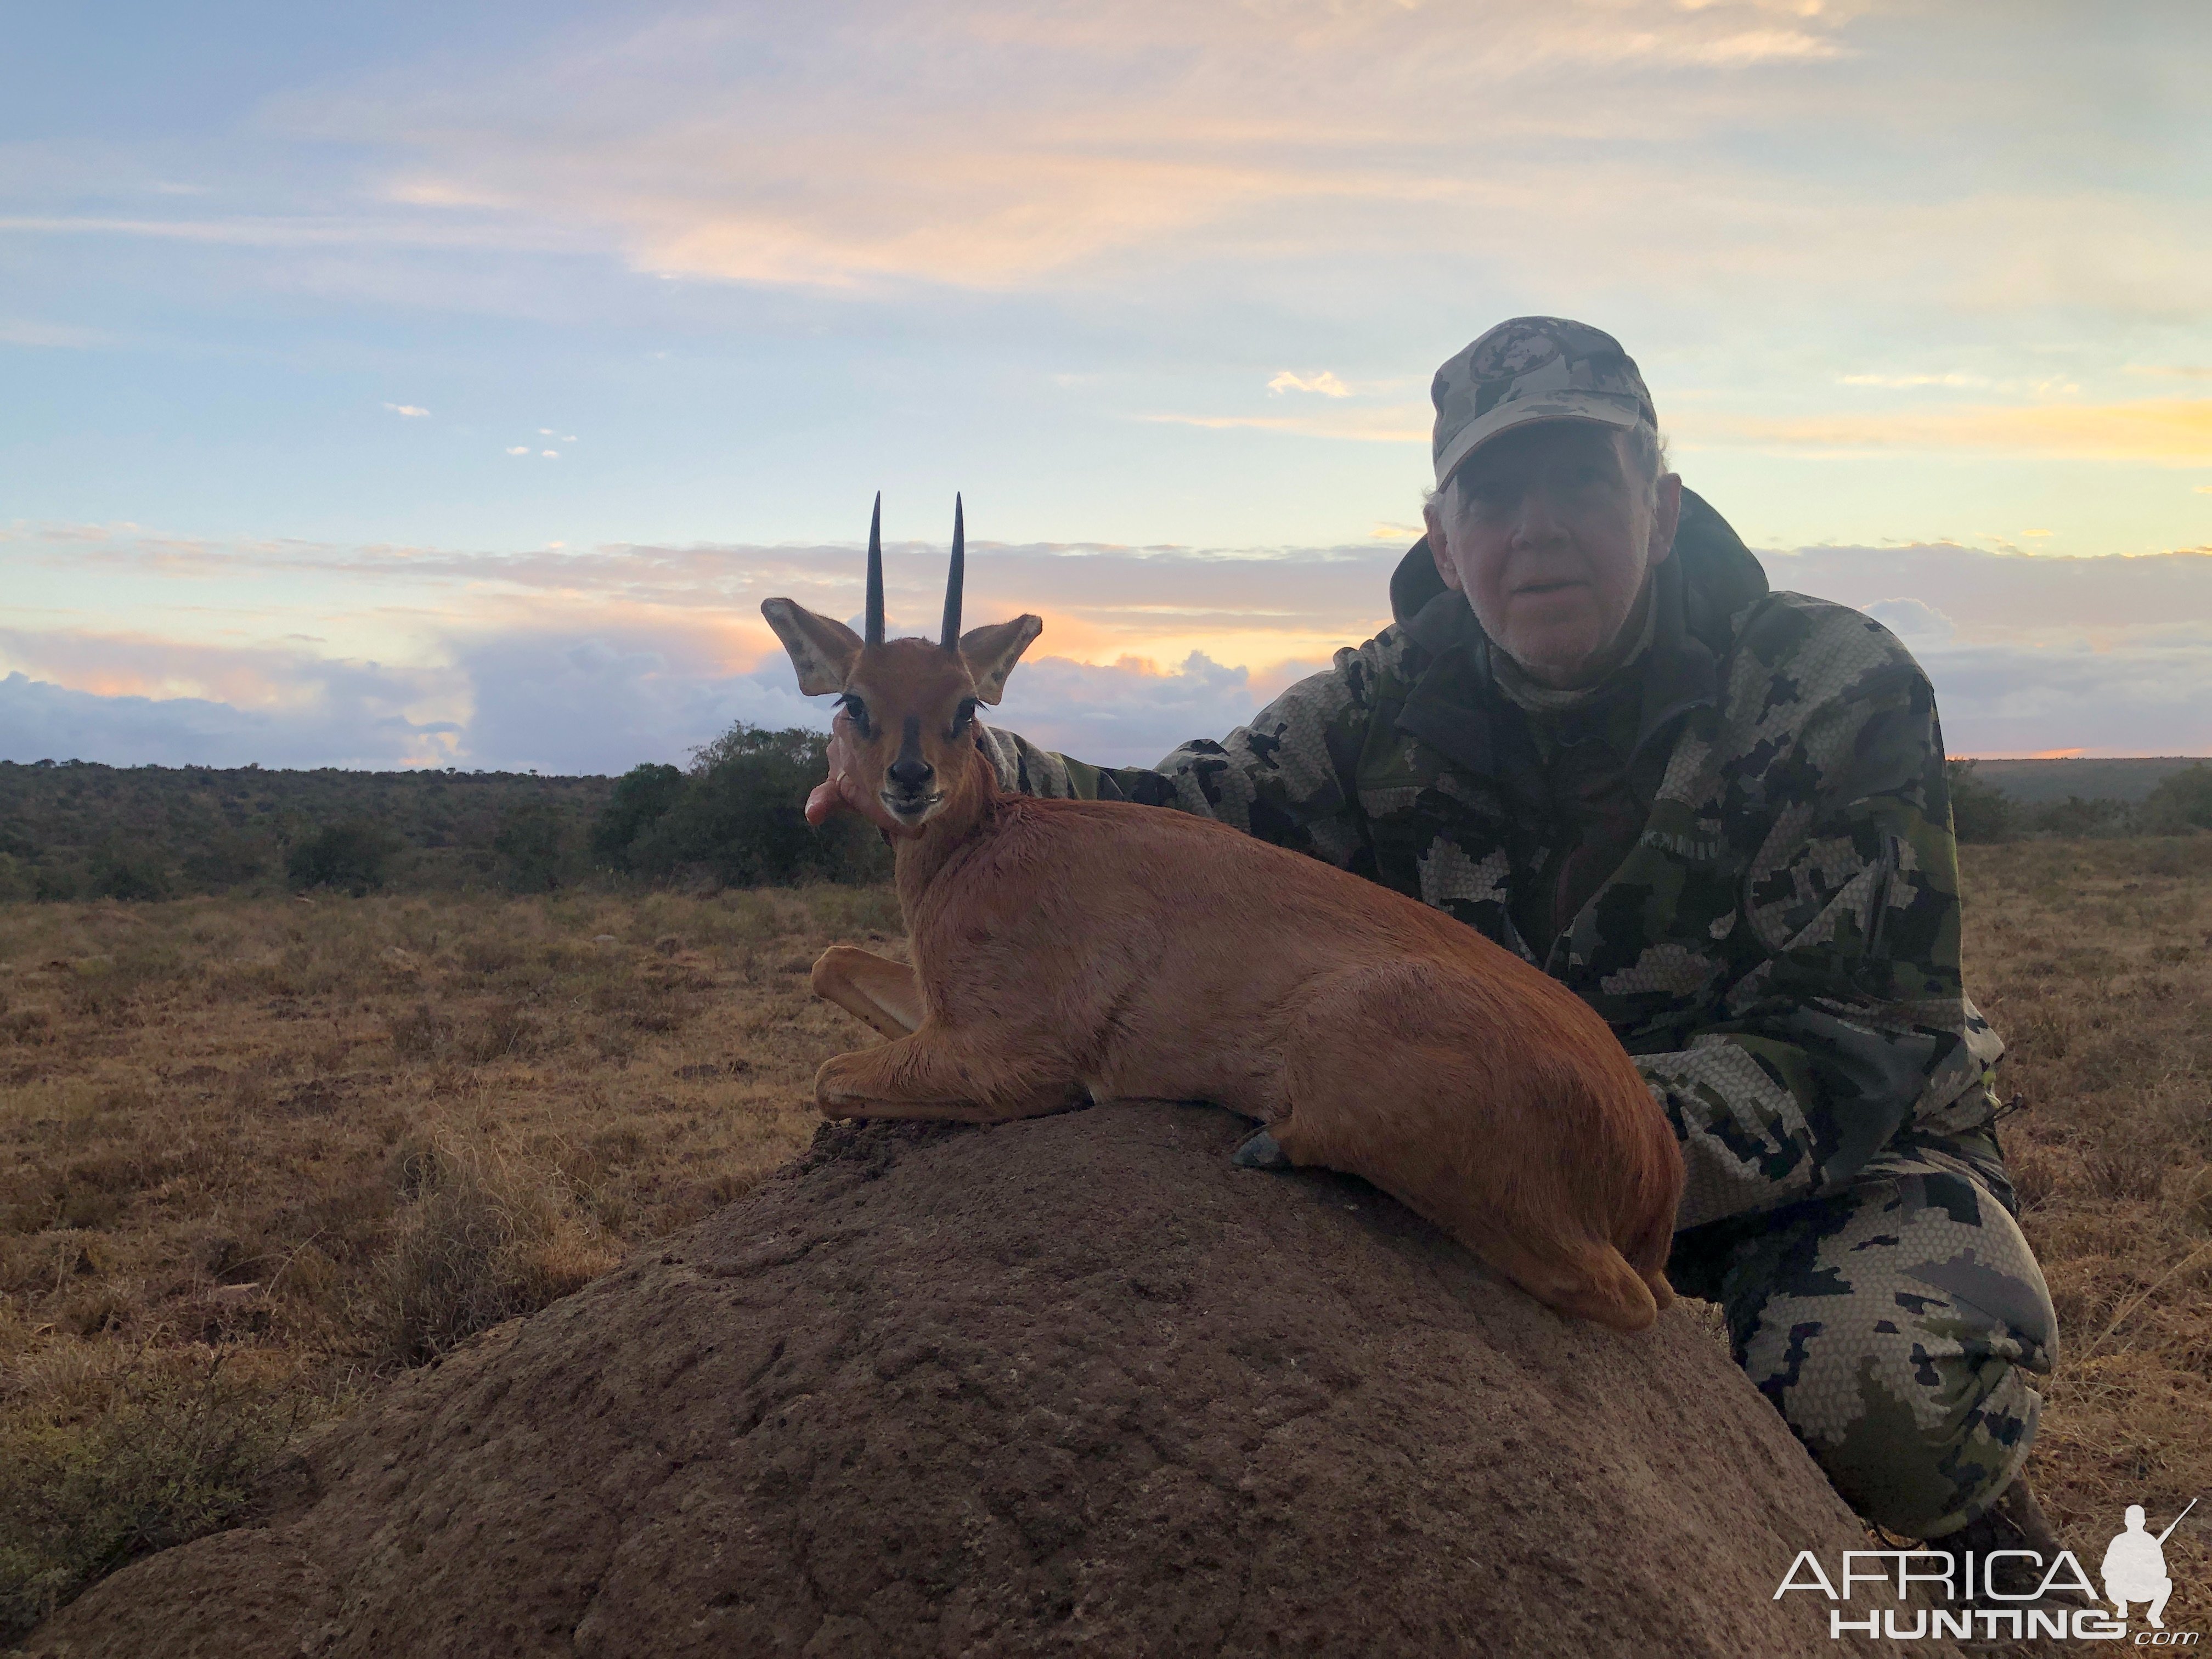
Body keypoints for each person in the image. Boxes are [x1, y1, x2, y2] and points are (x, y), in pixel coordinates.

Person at [806, 317, 2061, 1575]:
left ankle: (1926, 1530)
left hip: (1813, 1160)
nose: (1541, 528)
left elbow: (1853, 1054)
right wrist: (935, 761)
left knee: (1887, 1404)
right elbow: (1166, 821)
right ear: (1442, 540)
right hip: (1485, 1102)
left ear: (1663, 507)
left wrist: (1509, 1133)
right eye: (1495, 493)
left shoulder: (1831, 687)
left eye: (1583, 479)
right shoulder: (1378, 700)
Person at [2102, 1505, 2175, 1627]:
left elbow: (2162, 1571)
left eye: (2137, 1521)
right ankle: (2121, 1605)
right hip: (2123, 1589)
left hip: (2145, 1589)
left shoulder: (2151, 1542)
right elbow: (2107, 1569)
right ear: (2126, 1522)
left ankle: (2154, 1615)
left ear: (2143, 1522)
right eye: (2131, 1521)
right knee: (2110, 1583)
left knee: (2166, 1583)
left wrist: (2146, 1568)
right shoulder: (2119, 1541)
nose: (2134, 1524)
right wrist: (2123, 1572)